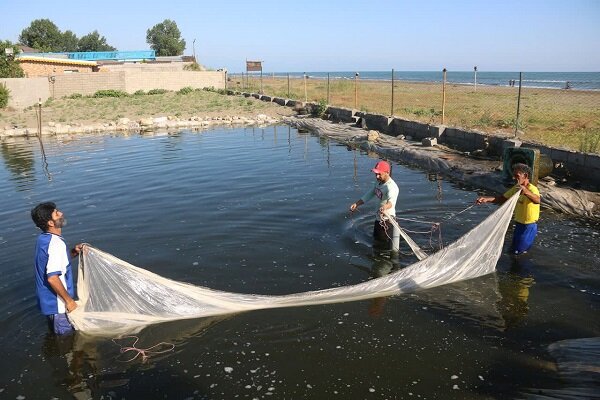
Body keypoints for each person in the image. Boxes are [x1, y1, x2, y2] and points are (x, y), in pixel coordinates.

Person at [31, 202, 83, 335]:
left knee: (57, 339)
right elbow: (53, 278)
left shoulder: (44, 239)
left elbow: (53, 262)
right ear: (51, 223)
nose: (61, 213)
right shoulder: (55, 244)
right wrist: (69, 301)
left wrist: (74, 252)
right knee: (65, 342)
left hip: (48, 304)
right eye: (56, 213)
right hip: (58, 305)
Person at [476, 163, 541, 255]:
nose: (514, 178)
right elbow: (502, 198)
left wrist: (526, 192)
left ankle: (522, 269)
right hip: (519, 225)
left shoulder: (532, 189)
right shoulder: (516, 188)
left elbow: (537, 200)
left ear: (525, 176)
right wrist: (486, 199)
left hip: (528, 227)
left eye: (517, 175)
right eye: (513, 175)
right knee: (513, 251)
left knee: (520, 253)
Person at [350, 160, 400, 251]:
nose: (377, 176)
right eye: (376, 174)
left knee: (382, 246)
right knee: (376, 242)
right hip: (378, 218)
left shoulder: (392, 187)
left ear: (387, 172)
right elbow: (370, 194)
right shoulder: (378, 183)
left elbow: (391, 202)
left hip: (387, 222)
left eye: (379, 174)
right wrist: (357, 204)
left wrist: (384, 207)